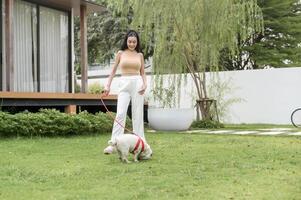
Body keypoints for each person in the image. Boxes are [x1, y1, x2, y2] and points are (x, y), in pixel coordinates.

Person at [102, 30, 147, 154]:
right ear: (126, 41)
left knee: (137, 115)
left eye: (134, 42)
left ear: (137, 42)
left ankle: (141, 143)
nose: (131, 44)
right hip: (124, 83)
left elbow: (143, 72)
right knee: (120, 114)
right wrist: (107, 86)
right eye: (129, 41)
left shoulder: (140, 55)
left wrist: (145, 84)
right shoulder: (120, 53)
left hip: (137, 83)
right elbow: (113, 71)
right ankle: (114, 143)